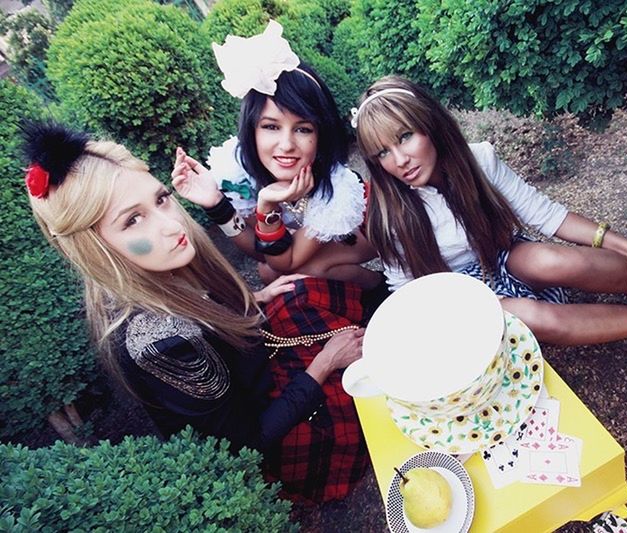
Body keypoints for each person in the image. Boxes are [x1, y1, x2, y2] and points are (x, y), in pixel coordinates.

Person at [23, 121, 371, 503]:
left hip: (261, 370)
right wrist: (324, 363)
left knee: (299, 288)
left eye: (160, 199)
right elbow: (248, 443)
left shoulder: (161, 268)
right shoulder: (160, 342)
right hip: (278, 445)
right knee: (363, 387)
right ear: (96, 249)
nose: (171, 224)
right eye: (132, 220)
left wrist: (255, 297)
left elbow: (213, 301)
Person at [351, 76, 627, 361]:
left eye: (405, 137)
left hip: (503, 258)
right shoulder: (388, 214)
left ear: (432, 126)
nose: (399, 160)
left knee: (552, 260)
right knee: (538, 318)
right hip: (464, 298)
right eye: (383, 152)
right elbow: (407, 291)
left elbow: (546, 215)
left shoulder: (478, 161)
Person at [173, 20, 383, 289]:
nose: (286, 144)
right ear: (251, 130)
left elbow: (284, 262)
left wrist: (268, 208)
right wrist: (217, 205)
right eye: (271, 126)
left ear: (320, 134)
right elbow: (263, 253)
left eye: (303, 129)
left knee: (306, 268)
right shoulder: (238, 171)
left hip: (362, 233)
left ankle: (377, 285)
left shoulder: (337, 186)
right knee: (268, 272)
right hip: (293, 247)